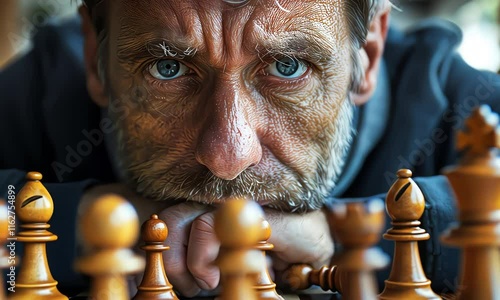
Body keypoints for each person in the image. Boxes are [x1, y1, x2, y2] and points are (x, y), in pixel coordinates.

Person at [0, 0, 499, 297]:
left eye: (287, 68)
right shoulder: (44, 86)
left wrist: (349, 241)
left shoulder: (460, 104)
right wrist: (93, 222)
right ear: (95, 56)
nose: (228, 154)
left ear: (367, 56)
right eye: (168, 69)